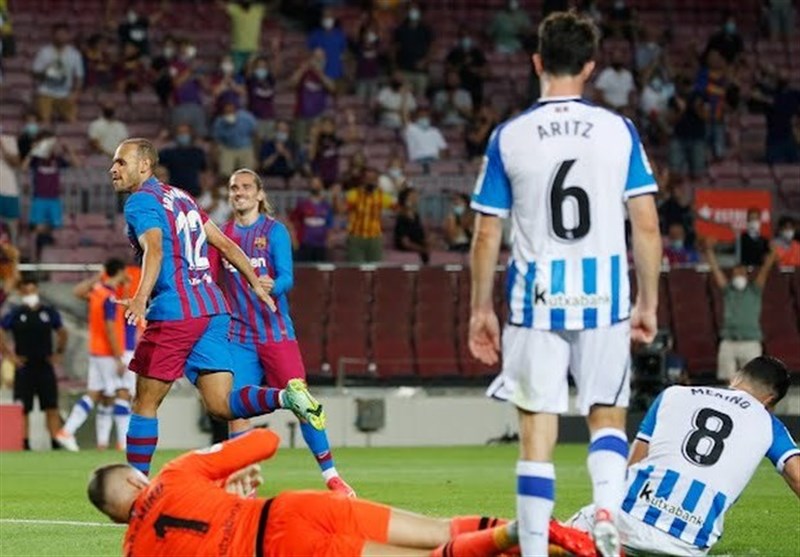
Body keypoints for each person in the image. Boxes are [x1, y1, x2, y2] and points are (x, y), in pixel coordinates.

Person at [468, 12, 662, 557]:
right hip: (605, 298)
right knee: (607, 417)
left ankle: (534, 548)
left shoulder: (510, 136)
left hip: (535, 301)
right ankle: (606, 514)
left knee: (537, 433)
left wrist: (480, 309)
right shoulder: (618, 131)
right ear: (590, 66)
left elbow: (487, 233)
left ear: (537, 62)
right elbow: (646, 224)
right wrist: (647, 303)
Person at [109, 137, 323, 476]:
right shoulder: (182, 197)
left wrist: (139, 296)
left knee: (144, 403)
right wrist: (255, 282)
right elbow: (225, 244)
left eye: (121, 162)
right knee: (221, 405)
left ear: (145, 165)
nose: (113, 169)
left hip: (175, 312)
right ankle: (287, 397)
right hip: (212, 310)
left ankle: (136, 491)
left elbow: (155, 249)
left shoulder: (140, 201)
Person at [86, 429, 539, 557]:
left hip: (284, 550)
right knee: (438, 531)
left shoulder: (135, 550)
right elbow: (265, 441)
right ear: (137, 481)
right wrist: (222, 483)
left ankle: (523, 537)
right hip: (292, 509)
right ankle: (542, 534)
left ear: (115, 519)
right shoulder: (175, 474)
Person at [210, 168, 355, 496]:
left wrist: (273, 286)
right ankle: (246, 486)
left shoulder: (275, 231)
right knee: (236, 409)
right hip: (239, 337)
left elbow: (288, 277)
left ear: (260, 194)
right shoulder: (222, 235)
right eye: (233, 188)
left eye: (246, 187)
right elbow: (211, 279)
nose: (239, 192)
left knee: (303, 402)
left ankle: (332, 477)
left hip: (275, 333)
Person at [568, 356, 800, 556]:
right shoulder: (771, 425)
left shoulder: (672, 394)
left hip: (627, 521)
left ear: (736, 377)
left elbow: (632, 465)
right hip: (689, 543)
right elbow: (797, 478)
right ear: (769, 402)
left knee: (559, 538)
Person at [56, 259, 133, 451]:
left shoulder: (99, 292)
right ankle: (123, 443)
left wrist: (98, 278)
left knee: (95, 394)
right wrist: (118, 356)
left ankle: (68, 432)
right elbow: (110, 328)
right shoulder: (109, 298)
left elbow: (77, 292)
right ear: (120, 271)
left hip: (96, 351)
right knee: (122, 393)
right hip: (108, 353)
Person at [0, 276, 68, 451]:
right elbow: (1, 331)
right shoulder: (16, 313)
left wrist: (59, 353)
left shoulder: (48, 312)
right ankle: (25, 442)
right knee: (23, 407)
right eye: (26, 291)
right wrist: (9, 356)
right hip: (24, 366)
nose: (29, 294)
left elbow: (62, 332)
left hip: (44, 364)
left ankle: (55, 441)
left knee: (51, 406)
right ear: (21, 293)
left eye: (32, 290)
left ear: (37, 290)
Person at [704, 239, 777, 383]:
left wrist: (772, 254)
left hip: (750, 341)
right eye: (736, 273)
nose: (739, 275)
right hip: (729, 340)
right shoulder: (728, 291)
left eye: (742, 272)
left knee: (753, 379)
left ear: (747, 275)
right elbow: (716, 270)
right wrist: (709, 252)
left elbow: (765, 270)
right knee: (728, 380)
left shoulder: (755, 290)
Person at [31, 24, 84, 125]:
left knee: (72, 121)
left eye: (63, 34)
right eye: (58, 34)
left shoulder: (74, 54)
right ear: (53, 35)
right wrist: (47, 73)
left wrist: (76, 93)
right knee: (45, 121)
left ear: (68, 36)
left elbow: (79, 76)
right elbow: (34, 72)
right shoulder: (44, 52)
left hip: (65, 94)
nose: (61, 37)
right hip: (46, 92)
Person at [340, 167, 395, 263]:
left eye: (373, 179)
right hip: (356, 237)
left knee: (375, 268)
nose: (370, 181)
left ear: (377, 181)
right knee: (356, 269)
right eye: (368, 179)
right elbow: (341, 210)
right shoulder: (354, 194)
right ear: (362, 180)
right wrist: (336, 197)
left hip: (374, 238)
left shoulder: (382, 196)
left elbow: (398, 208)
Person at [218, 0, 272, 73]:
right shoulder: (235, 9)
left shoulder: (258, 10)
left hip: (253, 50)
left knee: (252, 74)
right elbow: (221, 5)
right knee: (236, 74)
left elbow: (272, 6)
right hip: (237, 50)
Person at [392, 3, 433, 98]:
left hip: (420, 73)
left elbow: (432, 49)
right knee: (404, 98)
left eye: (416, 9)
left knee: (419, 99)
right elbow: (393, 50)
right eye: (411, 9)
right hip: (404, 71)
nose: (414, 12)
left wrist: (425, 61)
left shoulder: (426, 30)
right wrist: (395, 69)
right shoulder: (400, 29)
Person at [290, 175, 334, 262]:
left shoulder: (326, 206)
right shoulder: (302, 205)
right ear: (309, 186)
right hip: (305, 244)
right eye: (313, 184)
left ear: (321, 186)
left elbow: (329, 226)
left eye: (317, 184)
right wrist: (294, 239)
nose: (315, 186)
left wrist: (329, 240)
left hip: (321, 245)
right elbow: (292, 221)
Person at [157, 124, 207, 198]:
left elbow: (204, 173)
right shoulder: (168, 153)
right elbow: (155, 160)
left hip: (195, 193)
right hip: (174, 194)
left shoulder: (198, 153)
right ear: (176, 135)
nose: (183, 135)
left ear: (191, 134)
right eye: (180, 133)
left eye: (185, 132)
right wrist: (161, 140)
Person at [211, 101, 257, 178]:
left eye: (231, 111)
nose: (229, 113)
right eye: (226, 112)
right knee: (225, 174)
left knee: (247, 174)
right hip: (227, 148)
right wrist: (215, 154)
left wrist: (256, 155)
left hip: (245, 147)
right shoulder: (219, 121)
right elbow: (216, 140)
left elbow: (255, 135)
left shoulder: (247, 118)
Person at [307, 9, 347, 83]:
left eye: (330, 17)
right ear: (321, 20)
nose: (328, 20)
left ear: (334, 19)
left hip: (336, 72)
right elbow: (308, 49)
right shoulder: (315, 34)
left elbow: (343, 51)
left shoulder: (340, 34)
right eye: (325, 17)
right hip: (320, 73)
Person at [394, 187, 429, 264]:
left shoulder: (416, 216)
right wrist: (422, 249)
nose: (416, 199)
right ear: (405, 200)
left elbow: (421, 235)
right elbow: (405, 243)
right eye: (412, 197)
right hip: (408, 248)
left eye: (416, 196)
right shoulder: (402, 218)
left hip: (419, 247)